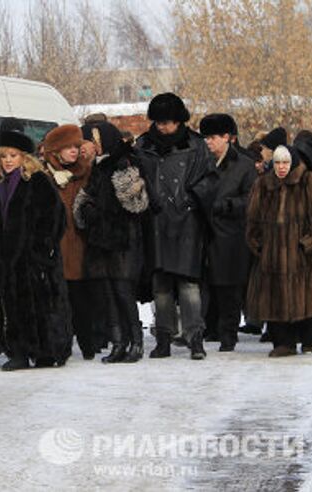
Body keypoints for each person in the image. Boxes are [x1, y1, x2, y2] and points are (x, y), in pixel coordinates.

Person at [0, 129, 73, 370]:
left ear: (25, 157)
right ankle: (19, 352)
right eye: (4, 156)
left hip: (33, 258)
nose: (8, 160)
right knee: (12, 305)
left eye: (13, 155)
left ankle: (45, 351)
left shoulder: (37, 180)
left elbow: (55, 217)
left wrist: (41, 248)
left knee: (39, 304)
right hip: (6, 257)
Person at [133, 92, 211, 360]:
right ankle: (164, 337)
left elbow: (208, 179)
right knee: (161, 284)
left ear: (179, 121)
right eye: (158, 121)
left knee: (189, 283)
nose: (162, 127)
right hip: (155, 219)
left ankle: (195, 336)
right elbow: (136, 177)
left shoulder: (196, 145)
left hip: (187, 221)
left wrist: (190, 200)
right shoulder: (144, 145)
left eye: (167, 122)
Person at [73, 122, 151, 363]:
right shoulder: (100, 166)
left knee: (123, 290)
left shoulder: (125, 162)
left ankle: (136, 342)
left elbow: (136, 203)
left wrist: (105, 207)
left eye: (93, 139)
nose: (90, 145)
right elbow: (87, 196)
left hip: (122, 238)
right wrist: (86, 209)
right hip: (102, 238)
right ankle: (118, 342)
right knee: (108, 292)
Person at [191, 114, 257, 351]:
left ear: (227, 138)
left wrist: (226, 205)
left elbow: (251, 200)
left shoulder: (244, 165)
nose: (209, 142)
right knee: (207, 288)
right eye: (206, 137)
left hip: (232, 236)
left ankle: (228, 334)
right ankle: (208, 330)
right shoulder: (201, 162)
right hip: (204, 235)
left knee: (230, 288)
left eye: (214, 137)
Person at [246, 145, 312, 356]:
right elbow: (252, 221)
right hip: (272, 257)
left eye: (285, 163)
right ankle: (283, 343)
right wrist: (258, 245)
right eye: (277, 163)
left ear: (293, 163)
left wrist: (307, 244)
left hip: (303, 257)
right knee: (273, 300)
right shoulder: (263, 185)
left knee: (307, 301)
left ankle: (308, 338)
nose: (281, 167)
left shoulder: (310, 182)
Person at [42, 124, 95, 359]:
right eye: (68, 147)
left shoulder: (86, 173)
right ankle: (60, 344)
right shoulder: (44, 178)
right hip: (55, 247)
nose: (74, 151)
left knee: (82, 298)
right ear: (55, 151)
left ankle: (88, 344)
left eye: (76, 146)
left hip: (81, 246)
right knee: (56, 300)